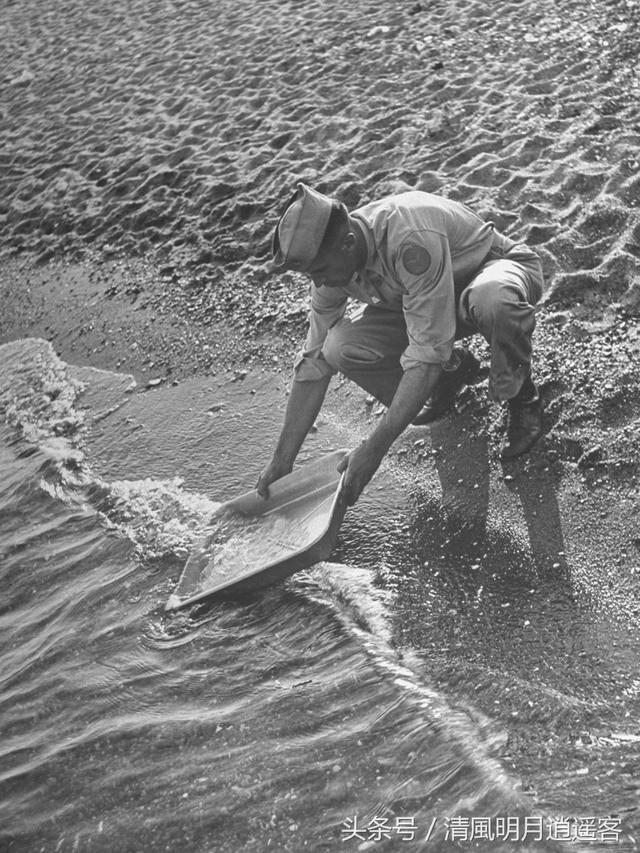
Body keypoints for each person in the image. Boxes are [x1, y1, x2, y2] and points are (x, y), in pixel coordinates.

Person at [257, 182, 545, 507]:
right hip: (429, 305)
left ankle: (522, 396)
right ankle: (449, 377)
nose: (319, 283)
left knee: (493, 302)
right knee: (338, 346)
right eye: (313, 275)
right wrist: (282, 460)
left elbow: (426, 354)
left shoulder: (408, 240)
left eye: (321, 272)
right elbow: (313, 362)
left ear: (348, 244)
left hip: (490, 273)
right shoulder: (332, 261)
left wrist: (373, 449)